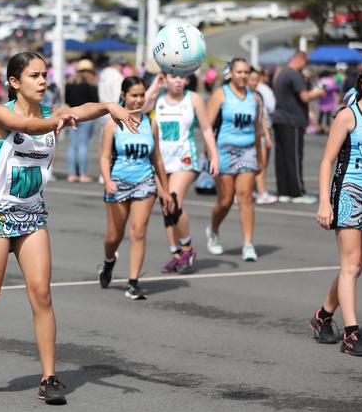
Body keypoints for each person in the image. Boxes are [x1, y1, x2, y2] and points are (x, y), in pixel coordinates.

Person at [0, 51, 140, 404]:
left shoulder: (54, 113)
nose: (43, 80)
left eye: (45, 74)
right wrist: (59, 120)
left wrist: (112, 107)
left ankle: (49, 378)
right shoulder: (1, 114)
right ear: (14, 82)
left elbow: (84, 109)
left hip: (31, 215)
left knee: (42, 295)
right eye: (34, 75)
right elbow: (29, 127)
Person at [311, 67, 362, 356]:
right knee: (350, 265)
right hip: (348, 193)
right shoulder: (347, 116)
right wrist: (324, 202)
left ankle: (322, 316)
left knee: (356, 268)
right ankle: (351, 335)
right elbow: (326, 162)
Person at [98, 76, 173, 299]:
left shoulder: (151, 124)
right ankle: (108, 262)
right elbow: (104, 157)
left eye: (142, 95)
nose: (139, 100)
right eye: (134, 95)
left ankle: (133, 283)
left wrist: (165, 190)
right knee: (114, 236)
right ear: (123, 96)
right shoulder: (113, 123)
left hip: (145, 182)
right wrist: (107, 180)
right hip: (118, 183)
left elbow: (157, 159)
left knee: (138, 232)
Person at [143, 72, 219, 274]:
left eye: (181, 77)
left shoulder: (193, 98)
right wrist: (154, 87)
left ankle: (187, 247)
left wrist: (214, 156)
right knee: (166, 207)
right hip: (161, 160)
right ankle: (176, 254)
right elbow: (137, 110)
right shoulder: (157, 98)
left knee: (173, 201)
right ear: (164, 78)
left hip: (185, 159)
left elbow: (206, 128)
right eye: (173, 76)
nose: (178, 80)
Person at [206, 58, 263, 262]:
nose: (243, 76)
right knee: (225, 200)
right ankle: (213, 230)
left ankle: (248, 244)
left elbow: (257, 130)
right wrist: (211, 155)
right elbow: (206, 127)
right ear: (230, 73)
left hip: (247, 151)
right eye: (239, 72)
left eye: (246, 72)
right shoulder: (220, 94)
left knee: (245, 195)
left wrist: (260, 157)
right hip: (224, 151)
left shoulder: (255, 98)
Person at [271, 51, 326, 203]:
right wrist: (318, 92)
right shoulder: (294, 74)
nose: (304, 66)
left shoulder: (281, 73)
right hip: (292, 119)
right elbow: (305, 96)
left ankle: (283, 191)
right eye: (305, 63)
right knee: (294, 156)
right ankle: (297, 192)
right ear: (300, 60)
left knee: (282, 157)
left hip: (280, 118)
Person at [64, 59, 99, 182]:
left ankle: (72, 174)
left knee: (73, 145)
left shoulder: (70, 82)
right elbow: (95, 101)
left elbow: (67, 100)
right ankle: (83, 174)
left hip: (72, 115)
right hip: (86, 116)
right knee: (83, 145)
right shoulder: (91, 83)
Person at [248, 67, 277, 205]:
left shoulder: (258, 95)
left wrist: (267, 134)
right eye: (252, 80)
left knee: (261, 164)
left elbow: (262, 117)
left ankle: (261, 192)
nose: (254, 82)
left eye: (256, 80)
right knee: (249, 165)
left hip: (260, 133)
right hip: (249, 134)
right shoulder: (244, 96)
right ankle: (257, 192)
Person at [316, 70, 338, 134]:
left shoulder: (321, 80)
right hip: (329, 99)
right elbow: (335, 88)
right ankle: (328, 129)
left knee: (321, 114)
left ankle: (319, 128)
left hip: (323, 98)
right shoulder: (332, 80)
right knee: (328, 114)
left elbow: (319, 88)